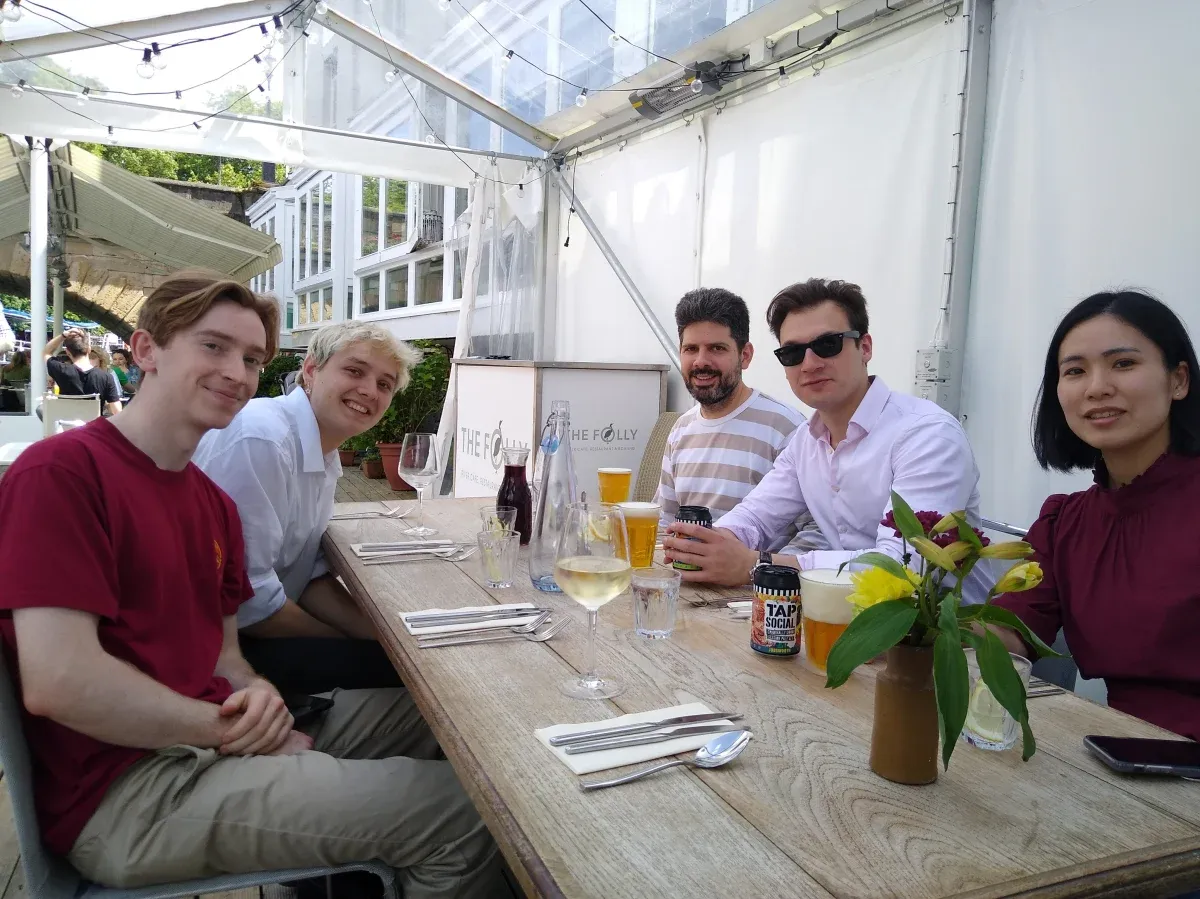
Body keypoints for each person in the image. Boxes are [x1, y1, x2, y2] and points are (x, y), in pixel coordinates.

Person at [0, 270, 510, 896]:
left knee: (470, 725)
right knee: (473, 817)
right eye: (213, 347)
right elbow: (60, 683)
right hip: (133, 792)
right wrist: (233, 729)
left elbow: (228, 655)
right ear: (146, 350)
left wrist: (258, 699)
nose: (237, 374)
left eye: (250, 359)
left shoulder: (208, 500)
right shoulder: (60, 474)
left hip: (216, 736)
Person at [664, 278, 989, 603]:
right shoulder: (807, 440)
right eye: (792, 352)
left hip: (947, 637)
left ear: (865, 347)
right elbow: (756, 514)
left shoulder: (926, 434)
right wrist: (713, 543)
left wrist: (757, 565)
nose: (809, 363)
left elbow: (902, 566)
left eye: (828, 345)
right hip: (845, 620)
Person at [990, 290, 1200, 741]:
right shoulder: (1065, 523)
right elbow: (1013, 627)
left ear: (1178, 380)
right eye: (1075, 371)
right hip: (1127, 756)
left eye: (1123, 364)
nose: (1096, 386)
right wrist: (927, 625)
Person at [193, 321, 419, 695]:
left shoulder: (321, 452)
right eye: (354, 370)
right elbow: (249, 601)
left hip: (254, 630)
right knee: (416, 679)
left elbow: (306, 572)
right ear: (311, 370)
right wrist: (340, 641)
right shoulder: (264, 437)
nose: (369, 391)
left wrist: (381, 635)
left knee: (405, 656)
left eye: (384, 384)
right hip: (217, 654)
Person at [655, 287, 824, 551]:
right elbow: (664, 524)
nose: (701, 361)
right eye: (691, 349)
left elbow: (818, 531)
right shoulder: (681, 429)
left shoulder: (787, 427)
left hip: (757, 590)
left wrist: (761, 572)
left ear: (745, 355)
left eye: (716, 348)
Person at [42, 328, 121, 415]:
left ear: (68, 352)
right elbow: (116, 411)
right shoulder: (106, 377)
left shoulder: (61, 370)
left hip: (67, 426)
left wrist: (63, 335)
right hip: (93, 427)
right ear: (89, 349)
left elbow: (46, 352)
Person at [88, 347, 124, 414]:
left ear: (102, 364)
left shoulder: (109, 374)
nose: (92, 371)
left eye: (95, 367)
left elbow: (115, 406)